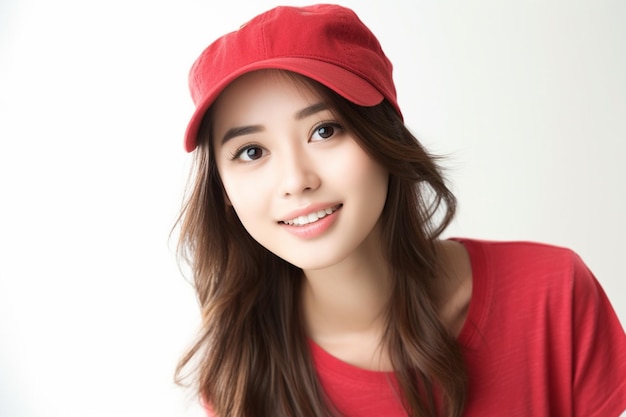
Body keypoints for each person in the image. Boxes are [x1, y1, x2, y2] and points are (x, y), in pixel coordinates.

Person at [174, 4, 626, 417]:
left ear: (383, 136)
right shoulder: (240, 377)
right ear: (224, 189)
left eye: (325, 130)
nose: (296, 180)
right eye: (252, 152)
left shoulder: (552, 292)